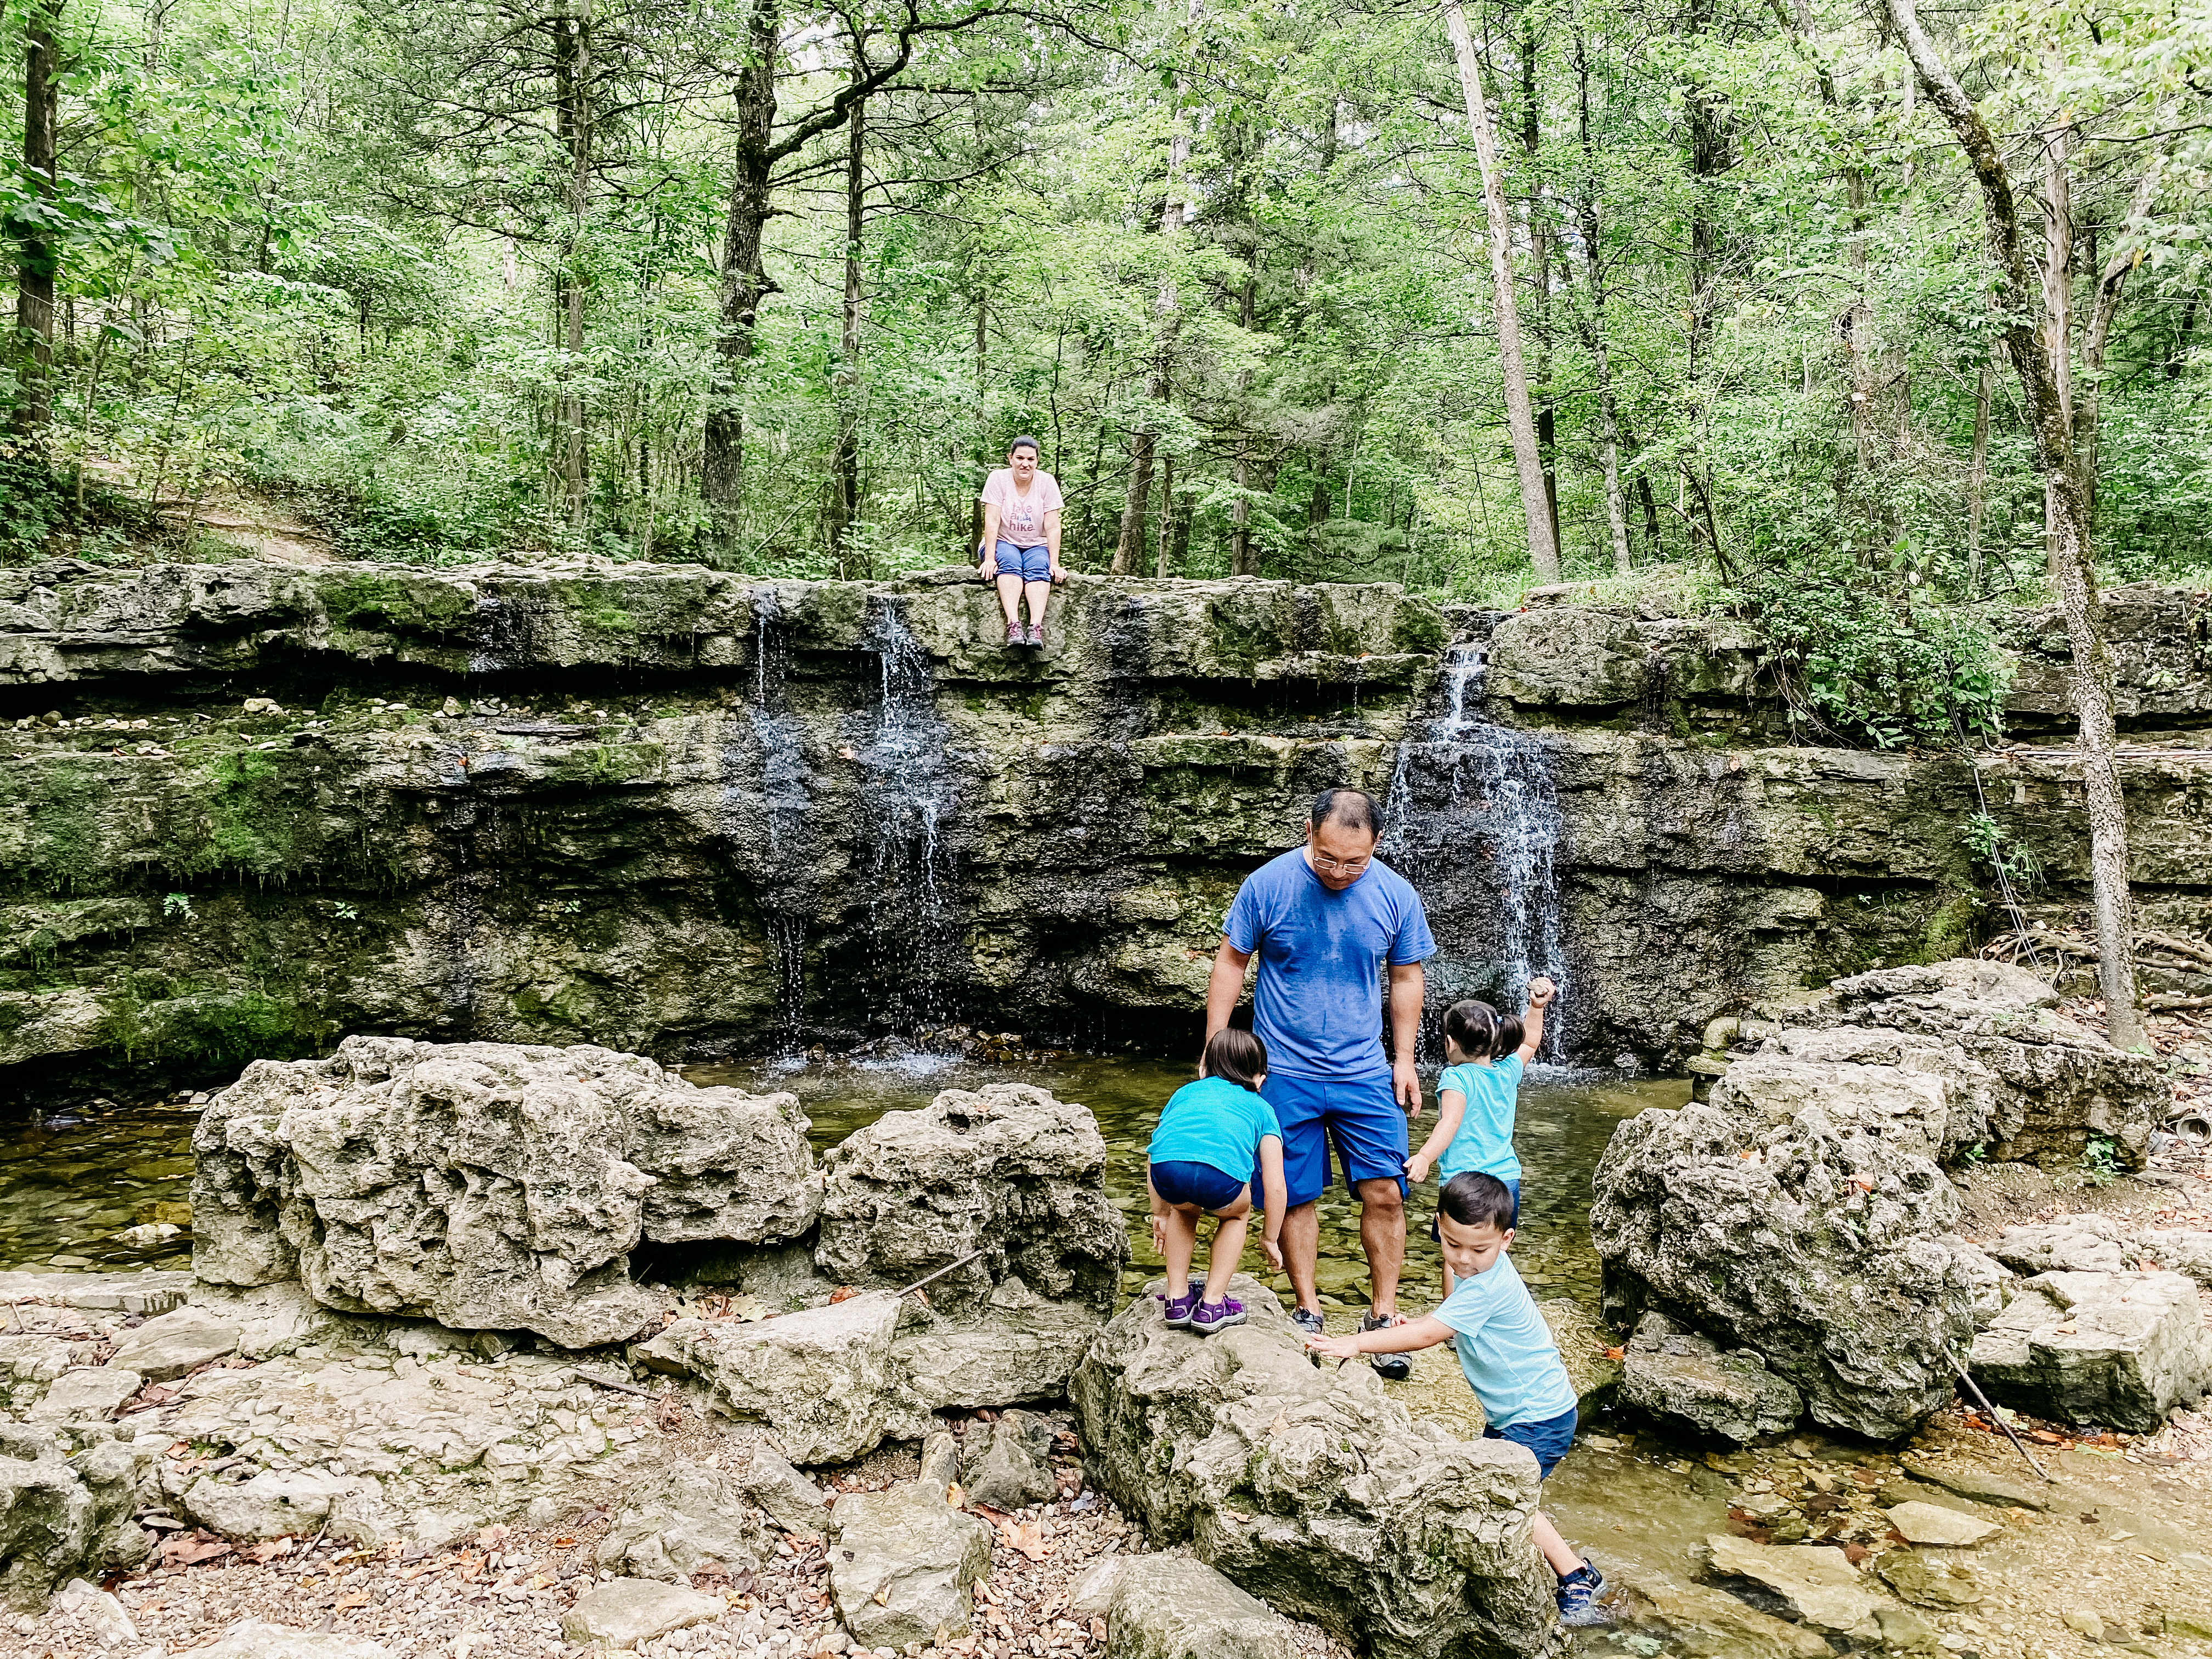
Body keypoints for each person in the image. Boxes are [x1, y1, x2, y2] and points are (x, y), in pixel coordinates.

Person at [1305, 1171, 1610, 1629]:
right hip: (1520, 1414)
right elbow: (1447, 1319)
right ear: (1439, 1226)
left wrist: (1357, 1343)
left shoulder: (1490, 1285)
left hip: (1539, 1417)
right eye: (1452, 1245)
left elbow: (1432, 1334)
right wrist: (1418, 1323)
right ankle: (1567, 1569)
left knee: (1511, 1499)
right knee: (1504, 1492)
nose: (1464, 1260)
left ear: (1507, 1239)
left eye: (1478, 1249)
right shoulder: (1481, 1273)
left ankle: (1576, 1579)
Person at [1205, 786, 1436, 1378]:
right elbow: (1232, 961)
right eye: (1328, 857)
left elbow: (1407, 976)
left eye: (1353, 862)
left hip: (1363, 1069)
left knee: (1385, 1190)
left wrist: (1404, 1059)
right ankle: (1307, 1310)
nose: (1339, 871)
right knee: (1295, 1194)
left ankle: (1383, 1317)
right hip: (1283, 1070)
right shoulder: (1267, 885)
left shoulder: (1395, 894)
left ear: (1376, 844)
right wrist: (1216, 1046)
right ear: (1310, 832)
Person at [1405, 979, 1556, 1297]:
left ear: (1450, 1043)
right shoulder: (1507, 1070)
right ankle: (1491, 1312)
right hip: (1506, 1180)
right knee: (1493, 1251)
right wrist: (1536, 1007)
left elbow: (1450, 1122)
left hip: (1466, 1182)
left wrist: (1424, 1157)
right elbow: (1529, 1044)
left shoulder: (1457, 1077)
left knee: (1455, 1252)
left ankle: (1454, 1321)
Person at [1146, 1028, 1289, 1335]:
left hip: (1166, 1171)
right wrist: (1270, 1238)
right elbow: (1276, 1184)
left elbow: (1157, 1147)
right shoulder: (1262, 1109)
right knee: (1237, 1214)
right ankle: (1212, 1305)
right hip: (1221, 1180)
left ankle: (1177, 1299)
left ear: (1203, 1068)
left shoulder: (1183, 1094)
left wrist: (1159, 1212)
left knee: (1182, 1210)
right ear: (1260, 1079)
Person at [977, 436, 1065, 648]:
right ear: (1011, 458)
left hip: (1036, 544)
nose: (1025, 464)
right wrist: (989, 559)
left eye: (1031, 459)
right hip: (1003, 541)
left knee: (1038, 568)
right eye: (1020, 458)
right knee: (1010, 562)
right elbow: (992, 520)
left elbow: (1053, 526)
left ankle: (1035, 629)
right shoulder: (997, 479)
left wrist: (1055, 563)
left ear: (1037, 461)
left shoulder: (1047, 482)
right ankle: (1014, 626)